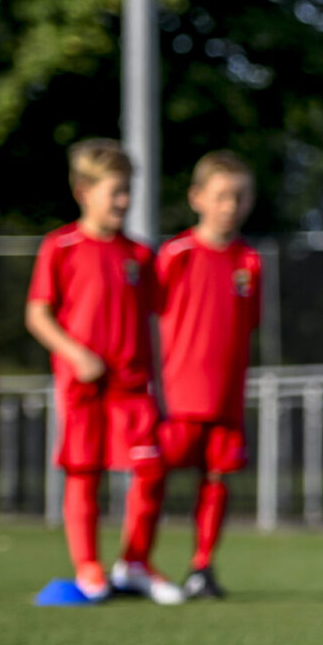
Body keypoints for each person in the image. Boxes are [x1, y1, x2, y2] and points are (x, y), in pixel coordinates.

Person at [25, 140, 177, 604]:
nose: (124, 201)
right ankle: (88, 566)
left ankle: (134, 562)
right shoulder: (61, 246)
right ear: (83, 191)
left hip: (132, 387)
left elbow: (154, 322)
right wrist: (75, 354)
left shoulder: (139, 255)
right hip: (84, 386)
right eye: (115, 191)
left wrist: (162, 383)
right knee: (84, 473)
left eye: (128, 190)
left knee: (151, 469)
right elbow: (37, 314)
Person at [155, 151, 264, 600]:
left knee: (217, 479)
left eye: (238, 197)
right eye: (221, 196)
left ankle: (202, 566)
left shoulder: (250, 262)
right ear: (197, 198)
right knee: (152, 475)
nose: (229, 206)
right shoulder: (175, 255)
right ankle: (135, 562)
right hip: (176, 395)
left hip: (226, 395)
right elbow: (149, 318)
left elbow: (248, 324)